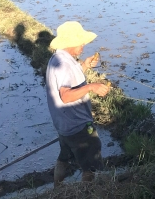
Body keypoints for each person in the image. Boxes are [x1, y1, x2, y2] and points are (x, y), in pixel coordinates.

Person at [45, 21, 110, 187]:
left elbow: (71, 80)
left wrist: (85, 65)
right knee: (92, 162)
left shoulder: (60, 58)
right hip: (78, 126)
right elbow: (66, 96)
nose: (83, 44)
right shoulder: (64, 64)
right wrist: (91, 87)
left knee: (64, 157)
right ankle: (88, 192)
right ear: (69, 43)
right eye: (80, 41)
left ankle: (57, 188)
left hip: (64, 125)